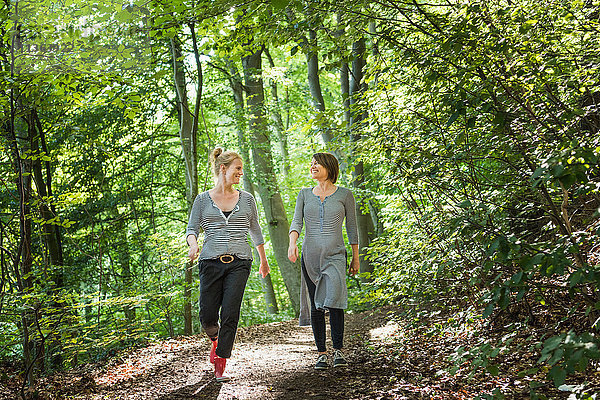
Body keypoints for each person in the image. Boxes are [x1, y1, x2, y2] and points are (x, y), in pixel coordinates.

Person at [186, 147, 269, 383]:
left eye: (241, 169)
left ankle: (221, 361)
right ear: (223, 168)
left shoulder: (247, 199)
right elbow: (192, 229)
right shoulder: (202, 200)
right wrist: (193, 245)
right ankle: (215, 341)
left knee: (231, 313)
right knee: (208, 317)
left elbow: (255, 230)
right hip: (210, 263)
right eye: (238, 168)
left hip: (240, 262)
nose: (241, 173)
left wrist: (263, 260)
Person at [288, 152, 359, 370]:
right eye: (311, 164)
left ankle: (338, 350)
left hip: (336, 255)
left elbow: (352, 228)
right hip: (310, 257)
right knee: (316, 305)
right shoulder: (304, 194)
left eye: (317, 163)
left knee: (335, 301)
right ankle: (321, 353)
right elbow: (296, 222)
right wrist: (293, 243)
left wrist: (356, 257)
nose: (313, 166)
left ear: (330, 167)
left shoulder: (345, 195)